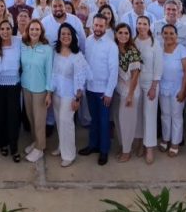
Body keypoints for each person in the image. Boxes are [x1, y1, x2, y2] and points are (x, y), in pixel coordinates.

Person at [80, 14, 118, 165]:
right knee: (93, 119)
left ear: (106, 26)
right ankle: (93, 145)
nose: (98, 28)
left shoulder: (111, 45)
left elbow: (114, 71)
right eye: (96, 25)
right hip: (90, 88)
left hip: (103, 91)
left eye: (101, 26)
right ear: (92, 25)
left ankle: (104, 150)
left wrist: (109, 92)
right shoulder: (88, 41)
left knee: (103, 121)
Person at [50, 22, 88, 167]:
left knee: (66, 123)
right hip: (57, 92)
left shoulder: (77, 55)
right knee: (59, 122)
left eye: (68, 34)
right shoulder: (56, 52)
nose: (65, 36)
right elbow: (53, 73)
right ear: (59, 36)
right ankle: (62, 146)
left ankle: (69, 154)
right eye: (63, 34)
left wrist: (77, 98)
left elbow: (80, 79)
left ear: (73, 37)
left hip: (69, 95)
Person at [20, 19, 53, 163]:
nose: (34, 32)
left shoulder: (47, 49)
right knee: (31, 118)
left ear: (41, 32)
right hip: (26, 87)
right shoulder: (23, 46)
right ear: (28, 31)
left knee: (39, 120)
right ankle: (36, 141)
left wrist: (49, 93)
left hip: (40, 90)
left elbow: (50, 72)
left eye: (37, 29)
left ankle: (40, 148)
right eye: (32, 29)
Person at [0, 18, 22, 161]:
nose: (5, 31)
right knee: (0, 115)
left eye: (8, 28)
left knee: (13, 116)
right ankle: (2, 143)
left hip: (14, 84)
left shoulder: (18, 42)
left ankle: (14, 147)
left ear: (12, 29)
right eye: (2, 29)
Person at [133, 15, 161, 164]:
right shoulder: (133, 41)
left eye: (144, 24)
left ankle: (149, 147)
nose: (141, 26)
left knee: (149, 115)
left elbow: (159, 66)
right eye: (139, 23)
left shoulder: (155, 43)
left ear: (149, 26)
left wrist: (154, 86)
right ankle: (139, 142)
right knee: (137, 114)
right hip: (135, 81)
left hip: (150, 82)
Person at [158, 23, 186, 157]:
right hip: (162, 87)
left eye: (171, 33)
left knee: (176, 115)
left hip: (178, 88)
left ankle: (175, 143)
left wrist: (183, 90)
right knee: (165, 114)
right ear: (161, 34)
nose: (168, 36)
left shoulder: (182, 50)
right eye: (165, 33)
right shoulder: (159, 48)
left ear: (176, 35)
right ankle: (165, 139)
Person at [113, 23, 142, 163]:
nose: (123, 36)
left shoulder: (132, 51)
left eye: (126, 33)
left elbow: (135, 75)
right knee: (118, 120)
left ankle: (127, 151)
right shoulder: (114, 48)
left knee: (127, 123)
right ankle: (123, 146)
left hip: (130, 90)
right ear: (115, 34)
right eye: (120, 32)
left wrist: (130, 95)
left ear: (130, 35)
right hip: (118, 89)